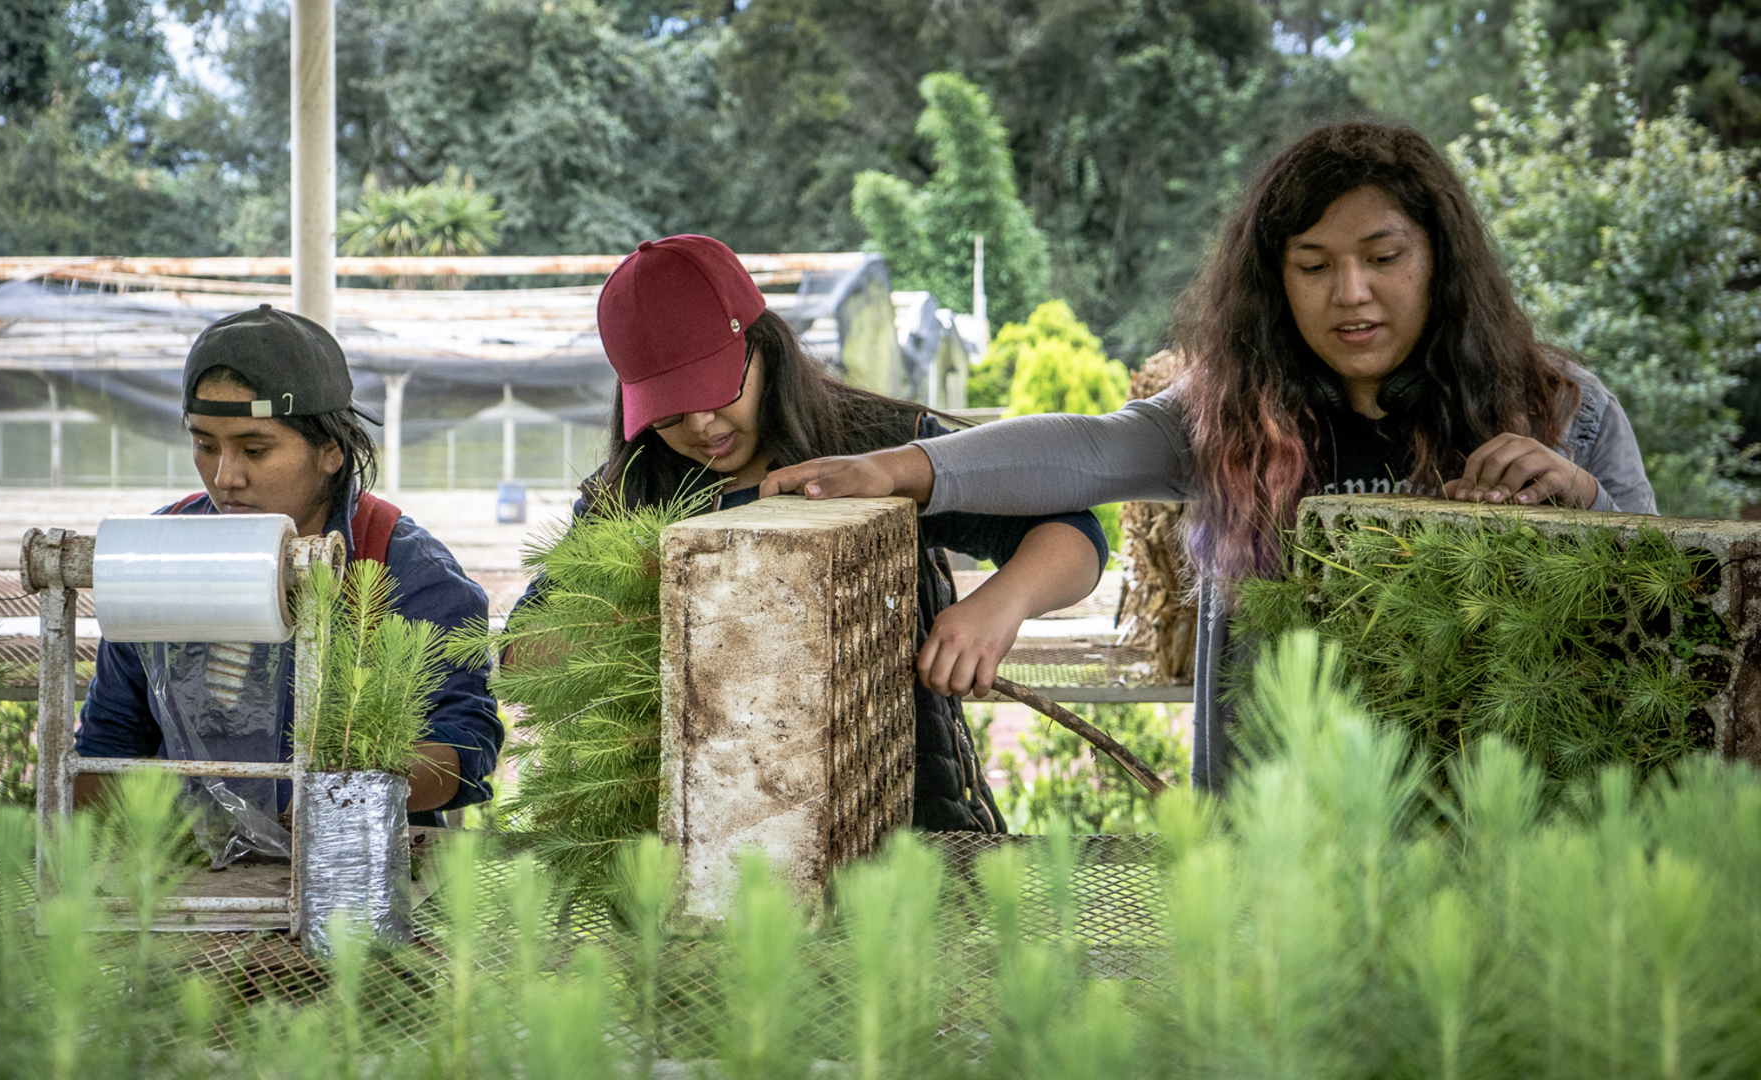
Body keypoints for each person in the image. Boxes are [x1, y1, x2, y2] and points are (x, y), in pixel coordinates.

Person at [761, 121, 1657, 790]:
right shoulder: (1236, 417)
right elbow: (1088, 451)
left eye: (1384, 257)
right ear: (1276, 282)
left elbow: (1665, 630)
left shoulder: (1564, 413)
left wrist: (1590, 518)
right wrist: (897, 469)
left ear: (1440, 262)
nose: (1352, 294)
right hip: (1277, 835)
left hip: (1497, 817)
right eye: (1313, 266)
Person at [517, 234, 1110, 832]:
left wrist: (999, 605)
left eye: (718, 389)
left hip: (913, 826)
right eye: (669, 408)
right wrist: (646, 613)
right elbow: (525, 652)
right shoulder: (627, 498)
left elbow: (1074, 534)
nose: (701, 424)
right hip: (712, 851)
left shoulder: (882, 450)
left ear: (763, 347)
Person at [76, 305, 502, 859]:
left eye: (255, 449)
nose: (226, 477)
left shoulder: (406, 572)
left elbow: (463, 748)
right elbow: (107, 746)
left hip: (356, 875)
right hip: (194, 880)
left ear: (331, 450)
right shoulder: (158, 556)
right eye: (205, 445)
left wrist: (347, 791)